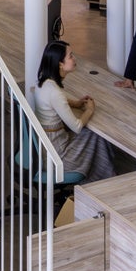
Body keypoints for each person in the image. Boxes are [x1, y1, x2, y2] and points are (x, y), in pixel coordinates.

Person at [34, 38, 107, 183]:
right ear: (60, 64)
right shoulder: (55, 92)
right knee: (96, 136)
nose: (74, 59)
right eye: (70, 56)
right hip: (57, 156)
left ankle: (102, 178)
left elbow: (53, 101)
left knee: (94, 138)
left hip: (45, 149)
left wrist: (76, 103)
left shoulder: (42, 82)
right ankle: (101, 179)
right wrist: (89, 110)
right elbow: (77, 126)